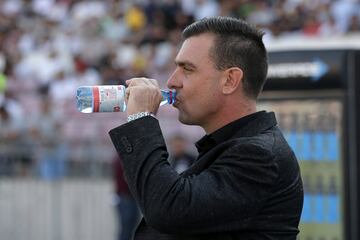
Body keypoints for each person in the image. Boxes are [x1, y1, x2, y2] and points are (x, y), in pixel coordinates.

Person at [109, 16, 303, 239]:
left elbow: (169, 209)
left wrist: (141, 120)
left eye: (187, 69)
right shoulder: (232, 146)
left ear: (230, 80)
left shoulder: (260, 155)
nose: (172, 81)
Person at [113, 155, 141, 240]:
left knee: (130, 229)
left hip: (129, 198)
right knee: (127, 229)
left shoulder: (123, 159)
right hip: (127, 198)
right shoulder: (124, 159)